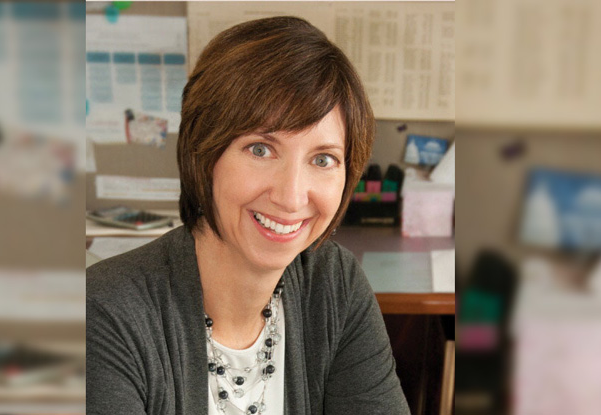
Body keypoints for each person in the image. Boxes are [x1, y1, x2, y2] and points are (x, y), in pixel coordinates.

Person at [87, 16, 410, 415]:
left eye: (323, 159)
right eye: (260, 149)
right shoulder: (104, 313)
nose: (291, 197)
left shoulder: (334, 286)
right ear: (204, 153)